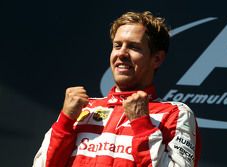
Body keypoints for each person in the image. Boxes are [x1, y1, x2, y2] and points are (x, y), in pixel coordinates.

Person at [33, 11, 201, 167]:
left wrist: (141, 124)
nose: (121, 53)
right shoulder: (83, 110)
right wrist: (65, 122)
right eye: (117, 45)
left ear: (156, 59)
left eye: (134, 47)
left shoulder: (175, 114)